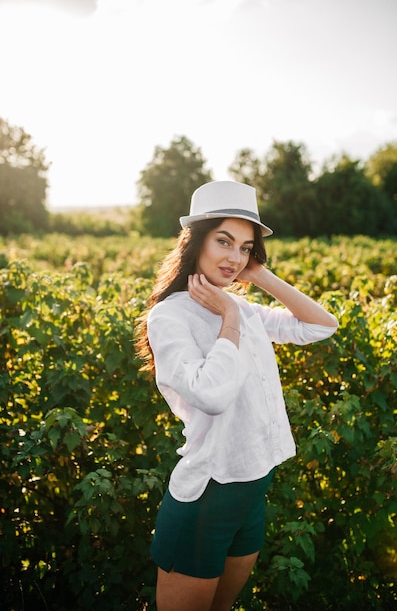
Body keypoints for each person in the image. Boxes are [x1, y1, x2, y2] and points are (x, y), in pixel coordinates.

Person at [135, 181, 338, 611]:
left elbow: (320, 326)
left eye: (246, 248)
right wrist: (228, 315)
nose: (234, 257)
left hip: (250, 491)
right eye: (224, 241)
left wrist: (259, 276)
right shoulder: (170, 315)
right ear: (197, 242)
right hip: (207, 494)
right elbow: (211, 395)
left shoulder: (244, 307)